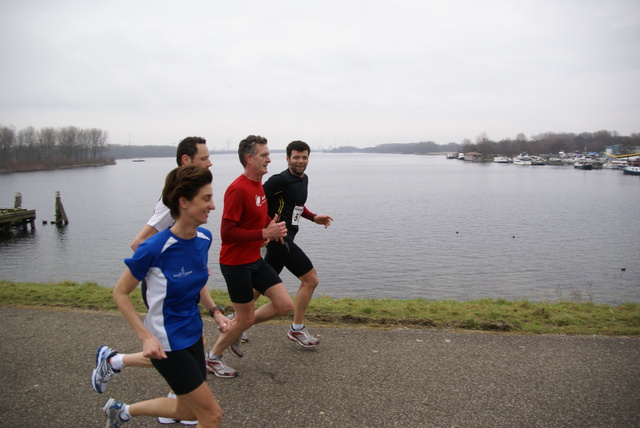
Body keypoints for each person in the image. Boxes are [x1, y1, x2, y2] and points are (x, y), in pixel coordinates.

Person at [92, 136, 215, 426]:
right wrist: (145, 336)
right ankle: (113, 363)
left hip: (193, 333)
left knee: (187, 411)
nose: (213, 205)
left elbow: (197, 282)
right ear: (184, 202)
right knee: (212, 415)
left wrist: (215, 310)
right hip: (166, 341)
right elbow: (120, 293)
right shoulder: (154, 248)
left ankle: (121, 411)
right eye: (206, 199)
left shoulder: (204, 238)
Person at [204, 135, 294, 378]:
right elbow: (227, 232)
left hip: (254, 259)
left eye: (268, 155)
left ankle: (236, 326)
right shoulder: (237, 189)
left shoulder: (258, 187)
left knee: (285, 305)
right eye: (264, 155)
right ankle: (212, 358)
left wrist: (271, 230)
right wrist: (263, 232)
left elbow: (256, 219)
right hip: (235, 264)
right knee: (244, 319)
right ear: (249, 158)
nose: (269, 160)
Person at [262, 140, 333, 347]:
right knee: (310, 280)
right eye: (296, 157)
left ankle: (234, 320)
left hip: (289, 237)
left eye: (304, 157)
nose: (300, 161)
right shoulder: (278, 180)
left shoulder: (304, 179)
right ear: (287, 159)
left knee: (261, 283)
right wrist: (266, 228)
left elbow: (296, 206)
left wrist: (314, 217)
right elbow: (256, 202)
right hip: (279, 239)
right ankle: (297, 328)